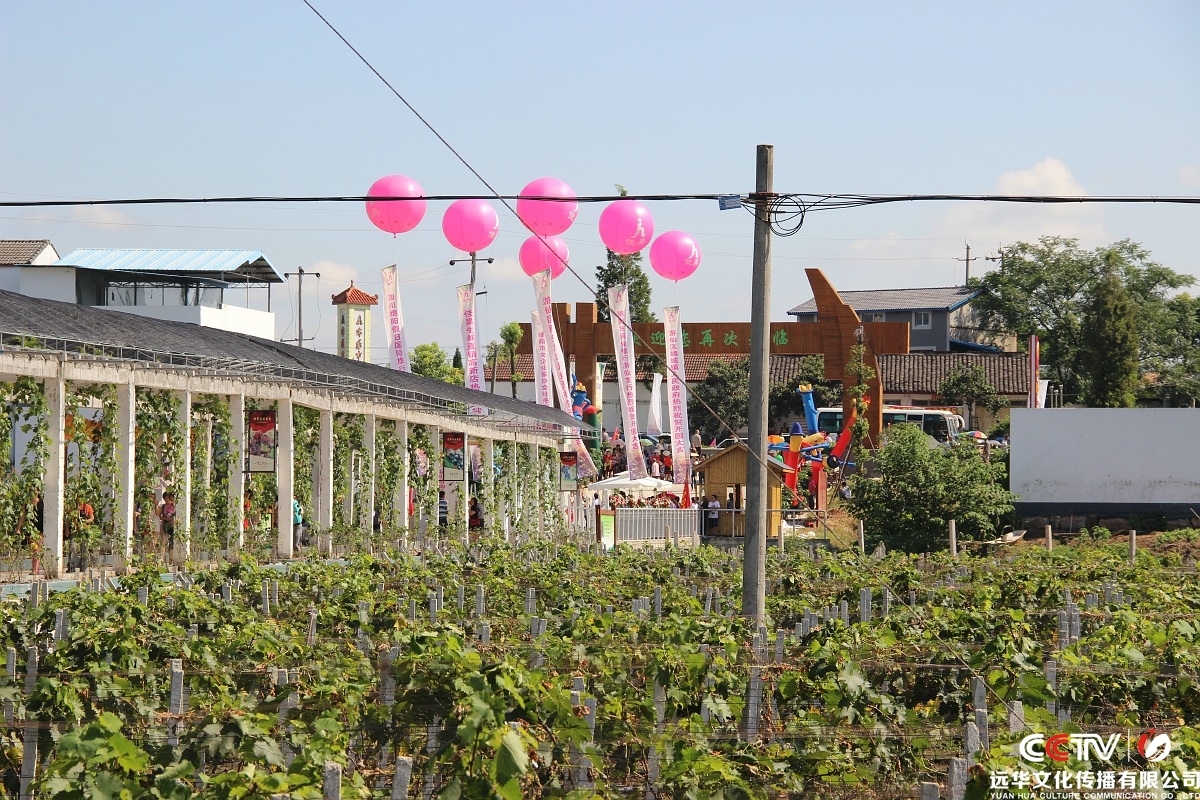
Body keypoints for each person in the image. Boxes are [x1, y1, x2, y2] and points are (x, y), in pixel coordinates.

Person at [160, 491, 177, 556]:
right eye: (165, 498)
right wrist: (165, 518)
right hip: (165, 524)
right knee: (163, 541)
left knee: (171, 542)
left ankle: (171, 558)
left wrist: (172, 518)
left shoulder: (173, 505)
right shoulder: (163, 506)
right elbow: (160, 516)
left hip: (172, 524)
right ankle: (162, 556)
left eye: (168, 498)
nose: (167, 500)